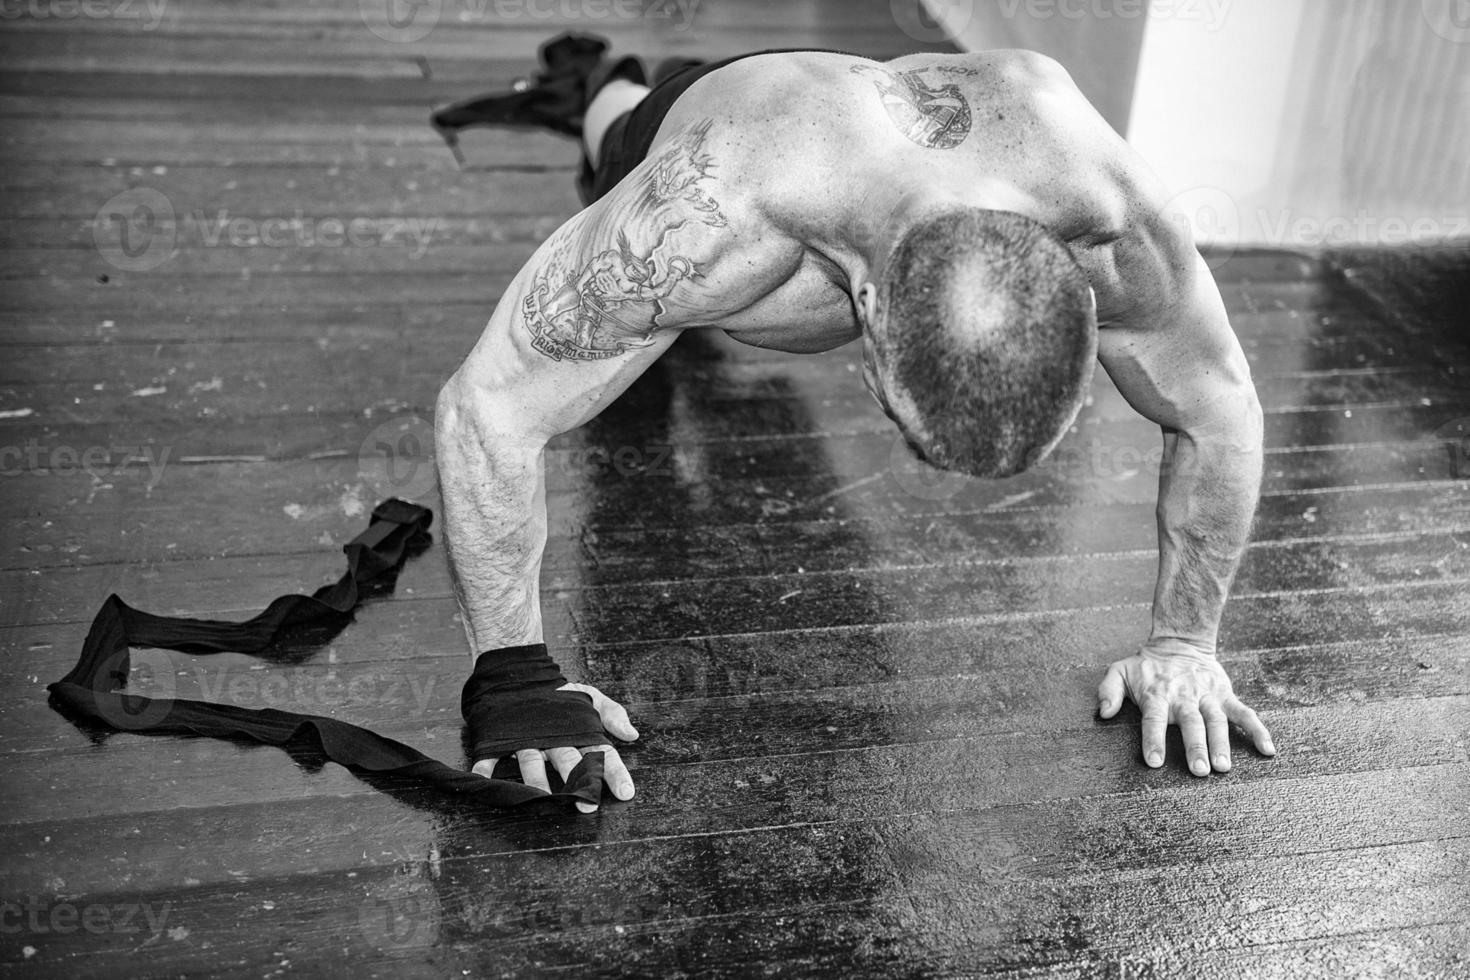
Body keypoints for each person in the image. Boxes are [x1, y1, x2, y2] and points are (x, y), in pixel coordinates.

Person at [432, 36, 1277, 813]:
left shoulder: (1109, 217)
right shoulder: (701, 216)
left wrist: (1183, 644)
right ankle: (609, 82)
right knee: (616, 123)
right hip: (750, 114)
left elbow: (1221, 407)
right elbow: (488, 407)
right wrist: (514, 680)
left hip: (897, 114)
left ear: (1078, 294)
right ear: (867, 320)